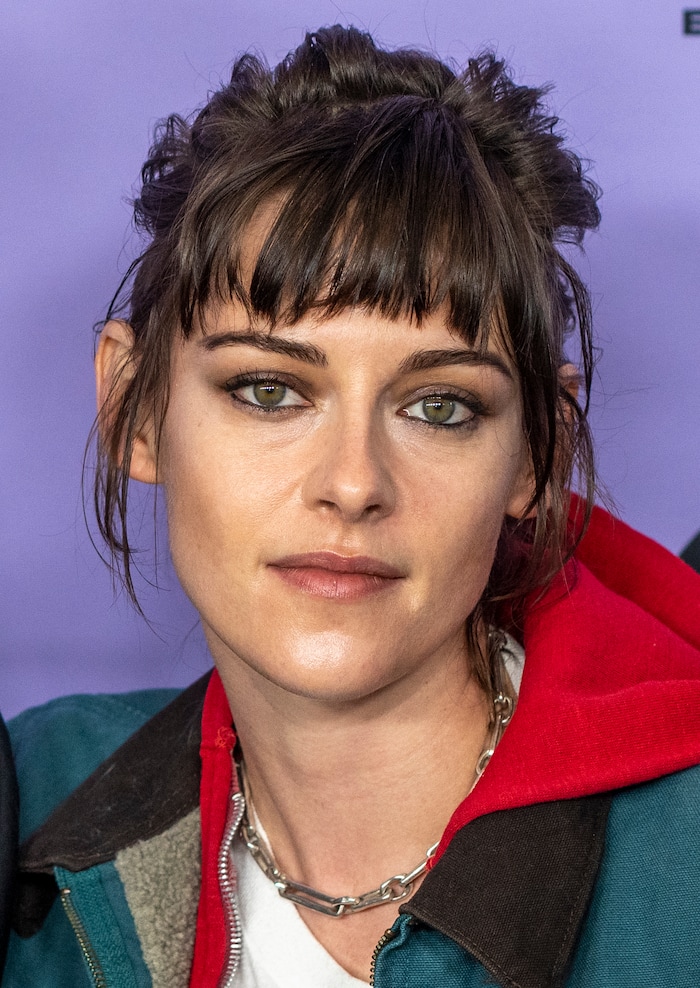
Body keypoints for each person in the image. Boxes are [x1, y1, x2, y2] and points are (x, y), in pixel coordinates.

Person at [4, 24, 700, 988]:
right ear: (135, 409)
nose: (354, 482)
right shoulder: (29, 800)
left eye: (439, 406)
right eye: (269, 390)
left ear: (537, 452)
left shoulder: (684, 873)